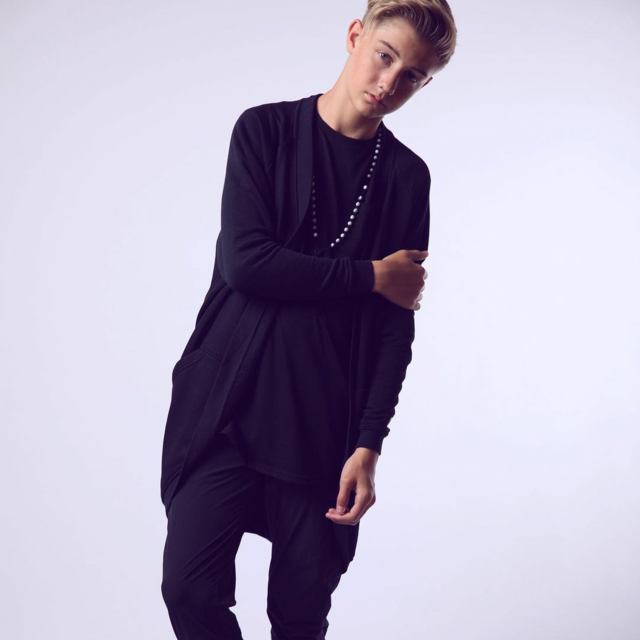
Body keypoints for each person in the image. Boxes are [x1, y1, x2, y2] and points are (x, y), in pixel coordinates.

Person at [160, 1, 457, 637]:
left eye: (412, 76)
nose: (390, 82)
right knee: (188, 589)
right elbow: (247, 264)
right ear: (355, 35)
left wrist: (369, 444)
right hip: (226, 412)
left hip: (322, 427)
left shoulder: (406, 178)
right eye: (385, 56)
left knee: (298, 618)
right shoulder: (264, 132)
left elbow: (393, 329)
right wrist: (371, 275)